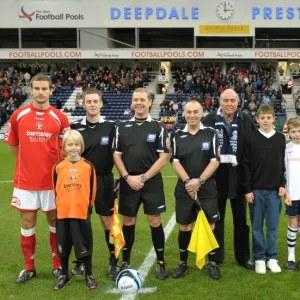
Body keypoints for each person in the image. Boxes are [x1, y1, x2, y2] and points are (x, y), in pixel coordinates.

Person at [4, 73, 70, 283]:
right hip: (25, 182)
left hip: (52, 181)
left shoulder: (60, 118)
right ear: (31, 90)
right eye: (37, 88)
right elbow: (13, 145)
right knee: (27, 221)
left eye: (45, 89)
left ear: (51, 90)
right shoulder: (19, 115)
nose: (41, 92)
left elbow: (66, 149)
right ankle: (29, 267)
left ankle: (57, 264)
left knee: (54, 221)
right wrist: (27, 163)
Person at [113, 87, 169, 279]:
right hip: (129, 181)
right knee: (129, 220)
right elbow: (116, 155)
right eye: (135, 99)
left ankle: (161, 262)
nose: (139, 103)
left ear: (149, 102)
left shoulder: (158, 126)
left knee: (154, 220)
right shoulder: (121, 126)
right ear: (132, 102)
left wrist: (144, 178)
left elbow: (164, 158)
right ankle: (126, 261)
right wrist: (127, 177)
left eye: (142, 100)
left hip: (151, 181)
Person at [202, 88, 256, 269]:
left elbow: (251, 149)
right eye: (226, 100)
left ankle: (243, 257)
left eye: (232, 100)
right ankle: (216, 256)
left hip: (239, 177)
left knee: (241, 219)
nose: (229, 104)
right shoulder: (209, 119)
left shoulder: (246, 119)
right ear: (219, 101)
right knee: (216, 219)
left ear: (238, 102)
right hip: (215, 178)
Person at [170, 98, 221, 280]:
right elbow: (174, 161)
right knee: (185, 225)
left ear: (202, 113)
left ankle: (212, 263)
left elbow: (215, 161)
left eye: (195, 112)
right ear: (184, 114)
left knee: (211, 224)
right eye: (188, 112)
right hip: (184, 188)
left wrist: (199, 181)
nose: (192, 115)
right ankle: (183, 263)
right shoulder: (176, 135)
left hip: (207, 187)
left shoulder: (211, 133)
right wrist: (188, 182)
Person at [71, 88, 118, 279]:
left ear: (101, 104)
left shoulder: (111, 126)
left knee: (107, 221)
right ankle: (82, 261)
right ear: (83, 104)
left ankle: (113, 260)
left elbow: (119, 154)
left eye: (95, 101)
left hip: (105, 179)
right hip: (81, 181)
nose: (91, 104)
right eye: (88, 101)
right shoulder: (75, 128)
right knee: (81, 221)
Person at [242, 104, 286, 274]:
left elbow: (282, 165)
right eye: (263, 118)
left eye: (269, 118)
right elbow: (245, 165)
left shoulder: (280, 138)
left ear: (273, 119)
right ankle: (259, 257)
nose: (266, 121)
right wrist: (247, 189)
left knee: (273, 226)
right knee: (257, 226)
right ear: (257, 119)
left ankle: (272, 257)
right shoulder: (251, 137)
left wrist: (282, 184)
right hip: (256, 190)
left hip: (275, 190)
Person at [52, 130, 97, 290]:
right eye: (70, 144)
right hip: (63, 213)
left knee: (85, 244)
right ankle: (64, 274)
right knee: (63, 246)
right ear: (64, 147)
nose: (73, 148)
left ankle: (89, 274)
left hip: (81, 212)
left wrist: (86, 208)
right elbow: (55, 189)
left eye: (76, 144)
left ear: (81, 146)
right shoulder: (58, 167)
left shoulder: (88, 166)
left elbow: (92, 191)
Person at [283, 117, 300, 271]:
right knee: (293, 223)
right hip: (292, 194)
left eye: (299, 131)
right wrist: (286, 193)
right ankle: (291, 258)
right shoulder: (286, 149)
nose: (297, 134)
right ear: (288, 133)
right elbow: (283, 173)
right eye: (293, 131)